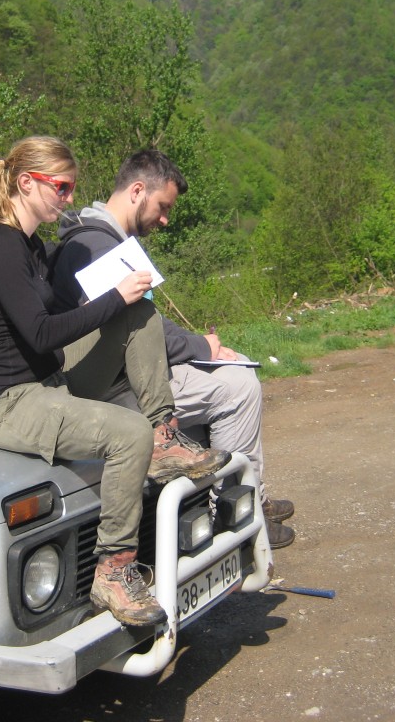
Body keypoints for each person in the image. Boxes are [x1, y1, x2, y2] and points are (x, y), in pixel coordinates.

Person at [0, 136, 226, 627]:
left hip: (50, 383)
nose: (67, 198)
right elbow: (39, 334)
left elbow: (52, 322)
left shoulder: (30, 244)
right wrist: (112, 298)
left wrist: (112, 306)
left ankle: (165, 438)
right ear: (26, 183)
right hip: (8, 405)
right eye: (61, 188)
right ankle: (114, 570)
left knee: (139, 316)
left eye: (71, 188)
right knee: (129, 433)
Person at [51, 149, 296, 549]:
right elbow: (145, 329)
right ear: (136, 191)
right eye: (162, 207)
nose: (164, 220)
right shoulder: (99, 247)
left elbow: (145, 323)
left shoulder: (99, 239)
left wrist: (198, 347)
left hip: (115, 378)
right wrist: (204, 346)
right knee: (238, 386)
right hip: (115, 390)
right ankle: (236, 515)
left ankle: (245, 502)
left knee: (230, 378)